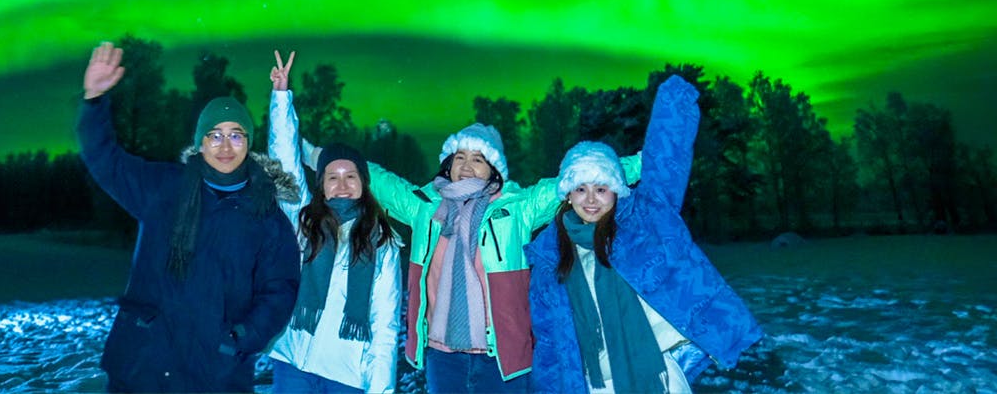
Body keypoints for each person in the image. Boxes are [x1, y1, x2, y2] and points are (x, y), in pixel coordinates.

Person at [303, 113, 640, 393]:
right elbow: (373, 177)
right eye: (459, 157)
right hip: (442, 355)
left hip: (502, 356)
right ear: (448, 164)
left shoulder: (517, 209)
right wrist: (319, 156)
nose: (466, 165)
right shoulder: (424, 206)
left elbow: (581, 173)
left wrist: (642, 164)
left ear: (494, 169)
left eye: (478, 159)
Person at [76, 41, 301, 393]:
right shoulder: (164, 188)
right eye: (215, 135)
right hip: (142, 366)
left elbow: (280, 291)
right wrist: (93, 100)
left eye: (236, 135)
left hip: (214, 375)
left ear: (247, 143)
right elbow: (106, 160)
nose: (225, 146)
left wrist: (238, 339)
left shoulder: (267, 217)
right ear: (200, 142)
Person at [525, 75, 763, 394]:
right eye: (581, 189)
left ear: (617, 191)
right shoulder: (549, 257)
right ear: (567, 195)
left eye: (601, 188)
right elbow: (549, 339)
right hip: (592, 382)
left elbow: (666, 162)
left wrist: (673, 101)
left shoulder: (643, 223)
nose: (591, 199)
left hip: (658, 372)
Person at [266, 50, 403, 394]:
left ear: (363, 183)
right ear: (321, 185)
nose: (342, 184)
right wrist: (281, 97)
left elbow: (385, 325)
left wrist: (381, 389)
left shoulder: (381, 242)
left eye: (350, 176)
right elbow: (284, 161)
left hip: (347, 376)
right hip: (293, 363)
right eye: (332, 176)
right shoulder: (303, 222)